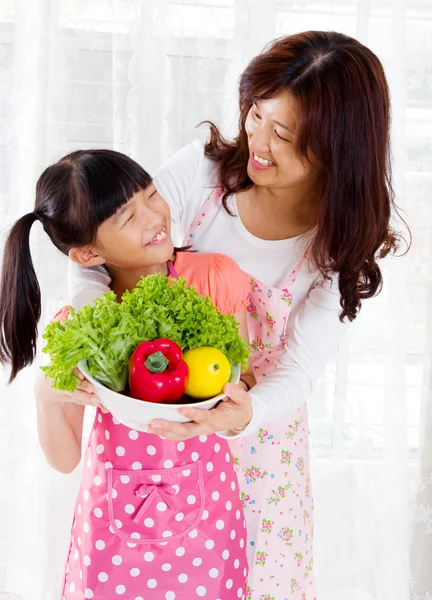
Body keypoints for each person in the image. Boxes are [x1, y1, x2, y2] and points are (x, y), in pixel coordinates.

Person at [68, 31, 406, 599]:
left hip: (259, 451)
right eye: (256, 114)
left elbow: (297, 372)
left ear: (340, 150)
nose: (259, 142)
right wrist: (103, 344)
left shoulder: (337, 244)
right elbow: (99, 247)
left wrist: (240, 415)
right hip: (164, 440)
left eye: (286, 136)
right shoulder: (201, 176)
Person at [0, 149, 256, 599]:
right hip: (112, 530)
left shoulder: (213, 279)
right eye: (126, 216)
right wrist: (46, 394)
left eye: (151, 194)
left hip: (208, 519)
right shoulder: (83, 326)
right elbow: (64, 460)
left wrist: (238, 410)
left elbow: (243, 378)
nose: (154, 216)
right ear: (86, 253)